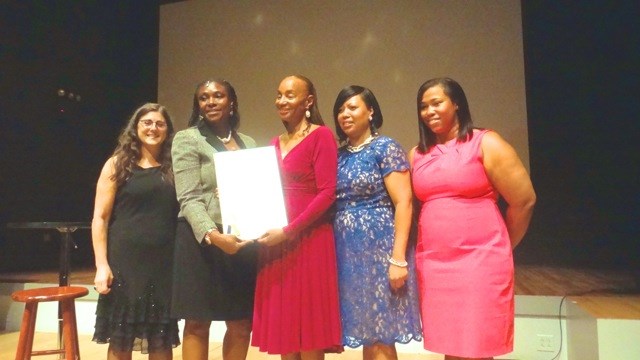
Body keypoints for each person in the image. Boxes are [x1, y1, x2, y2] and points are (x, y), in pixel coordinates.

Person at [410, 77, 536, 360]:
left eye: (436, 103)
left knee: (476, 344)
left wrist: (502, 247)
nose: (429, 111)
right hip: (435, 263)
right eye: (423, 106)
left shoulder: (486, 142)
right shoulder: (417, 154)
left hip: (480, 260)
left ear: (456, 104)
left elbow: (524, 200)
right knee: (451, 343)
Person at [252, 75, 342, 359]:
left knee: (310, 324)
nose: (281, 100)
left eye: (290, 95)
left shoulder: (321, 135)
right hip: (278, 242)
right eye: (279, 95)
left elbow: (327, 193)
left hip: (309, 239)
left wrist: (290, 230)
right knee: (286, 326)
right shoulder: (274, 142)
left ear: (309, 101)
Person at [332, 85, 422, 359]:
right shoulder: (339, 155)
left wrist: (398, 259)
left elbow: (404, 202)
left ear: (370, 112)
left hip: (380, 250)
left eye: (352, 107)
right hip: (348, 253)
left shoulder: (386, 147)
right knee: (368, 332)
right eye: (340, 109)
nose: (345, 114)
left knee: (381, 334)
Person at [170, 79, 257, 360]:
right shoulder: (187, 138)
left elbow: (258, 192)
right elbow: (188, 197)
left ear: (231, 102)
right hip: (201, 241)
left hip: (241, 239)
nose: (210, 101)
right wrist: (213, 235)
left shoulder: (250, 144)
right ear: (198, 105)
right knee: (197, 322)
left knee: (241, 323)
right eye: (203, 97)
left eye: (218, 96)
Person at [92, 103, 180, 360]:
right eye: (147, 122)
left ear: (167, 130)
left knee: (161, 339)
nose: (153, 128)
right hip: (124, 263)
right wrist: (101, 265)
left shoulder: (175, 166)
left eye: (160, 124)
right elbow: (100, 218)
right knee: (121, 339)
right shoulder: (116, 164)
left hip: (164, 264)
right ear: (136, 127)